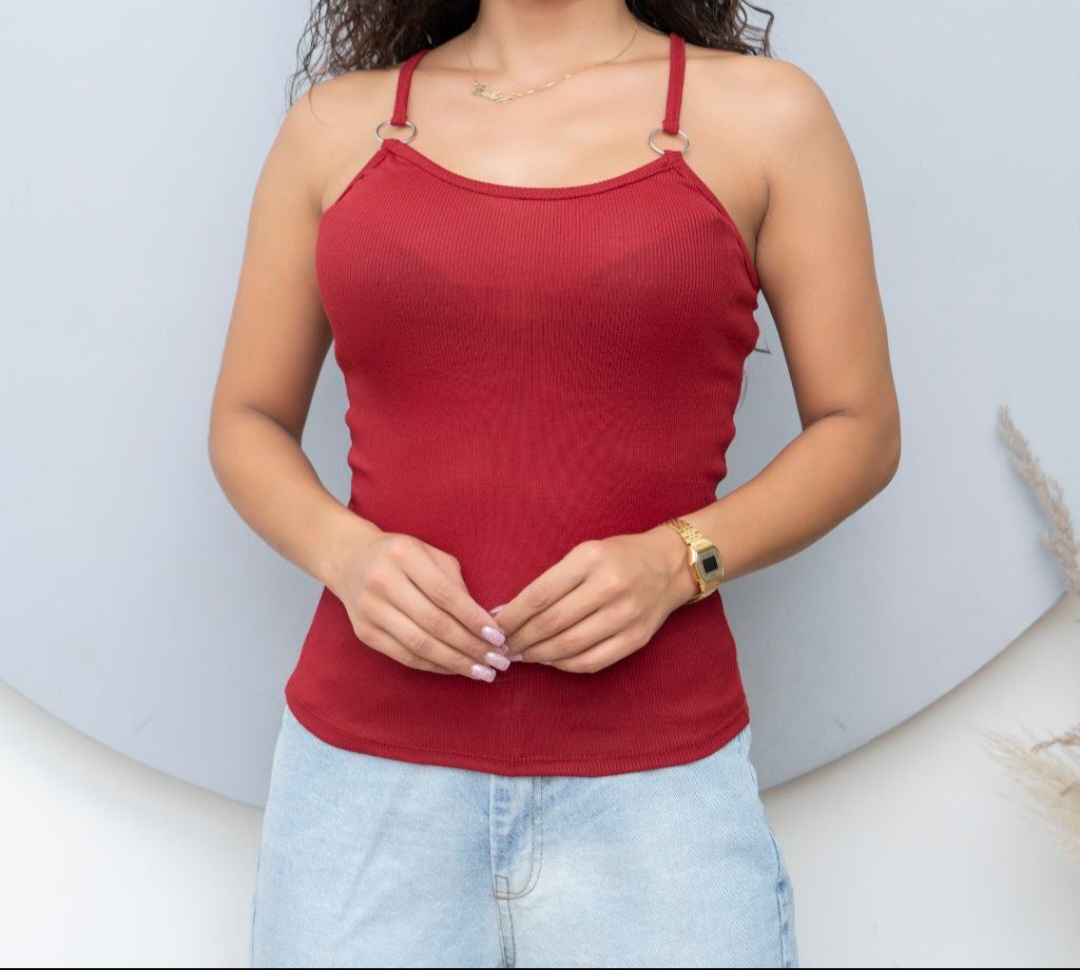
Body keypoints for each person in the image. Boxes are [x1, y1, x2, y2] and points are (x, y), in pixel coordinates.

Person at [208, 1, 900, 966]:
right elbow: (246, 420)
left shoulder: (766, 116)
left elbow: (860, 429)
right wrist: (347, 556)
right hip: (362, 787)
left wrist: (679, 561)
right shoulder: (335, 126)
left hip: (658, 793)